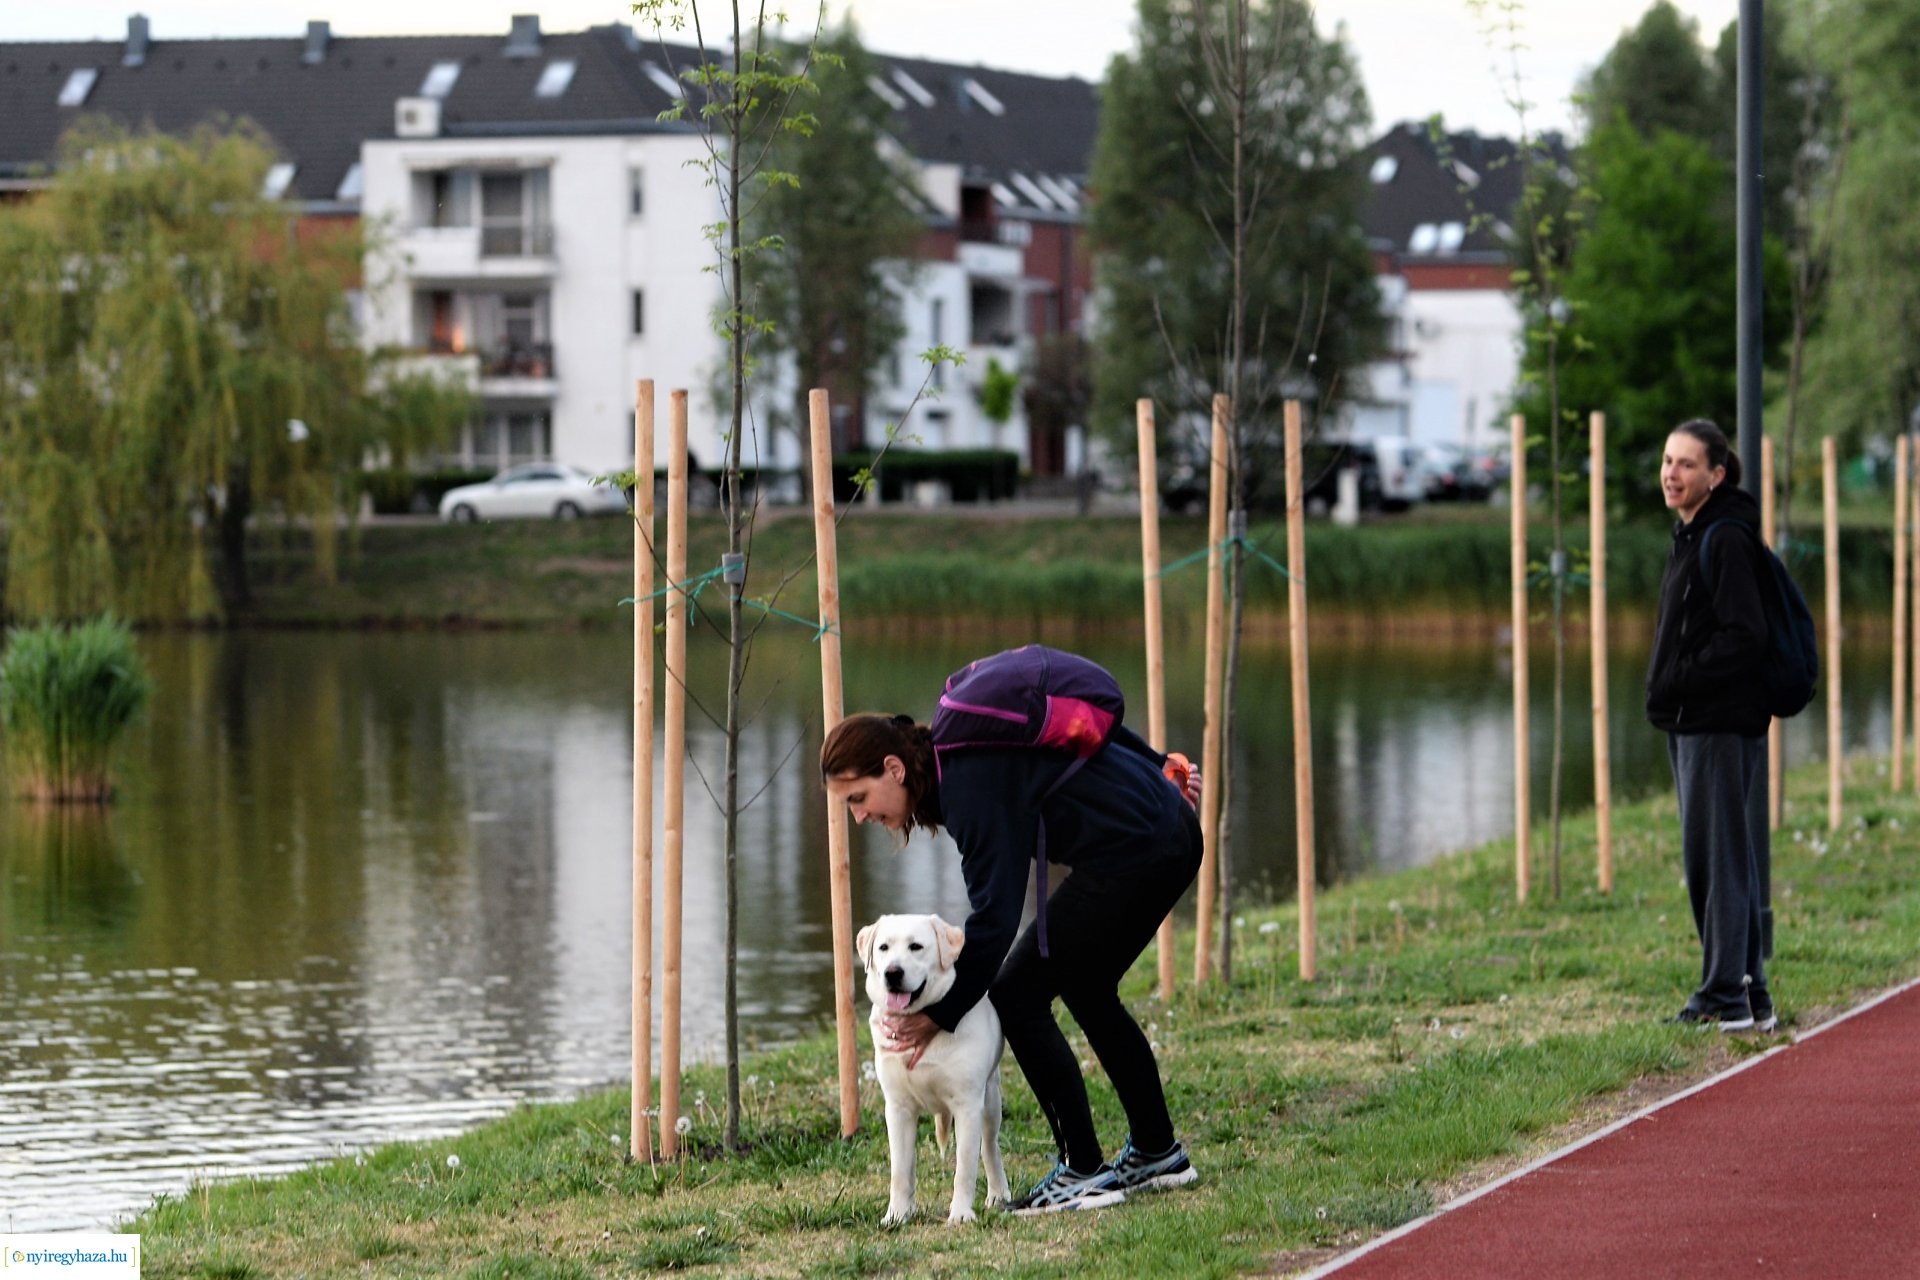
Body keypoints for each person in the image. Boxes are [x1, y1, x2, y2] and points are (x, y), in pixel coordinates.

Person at [821, 697, 1204, 1214]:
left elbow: (993, 922)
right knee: (1086, 985)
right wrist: (1156, 763)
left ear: (893, 769)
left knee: (1016, 992)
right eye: (850, 805)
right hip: (1163, 829)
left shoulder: (966, 788)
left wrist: (940, 1012)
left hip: (1137, 849)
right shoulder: (960, 755)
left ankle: (1084, 1171)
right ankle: (1158, 1153)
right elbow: (1072, 717)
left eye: (859, 798)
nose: (860, 816)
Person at [1645, 419, 1776, 1033]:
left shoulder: (1721, 538)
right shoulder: (1695, 531)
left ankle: (1724, 996)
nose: (1672, 473)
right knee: (1726, 856)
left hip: (1716, 722)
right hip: (1698, 719)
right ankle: (1749, 995)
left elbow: (1745, 635)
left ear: (1716, 474)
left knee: (1715, 859)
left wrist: (1684, 676)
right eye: (1669, 462)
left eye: (1687, 465)